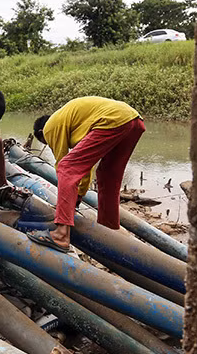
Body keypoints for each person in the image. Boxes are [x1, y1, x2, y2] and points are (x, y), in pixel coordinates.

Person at [28, 96, 144, 252]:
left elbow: (65, 167)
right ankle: (108, 231)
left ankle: (61, 235)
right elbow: (85, 168)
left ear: (42, 133)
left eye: (47, 142)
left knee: (66, 167)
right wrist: (78, 197)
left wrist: (72, 200)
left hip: (113, 118)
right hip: (133, 119)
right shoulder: (75, 122)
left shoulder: (50, 127)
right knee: (108, 175)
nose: (50, 145)